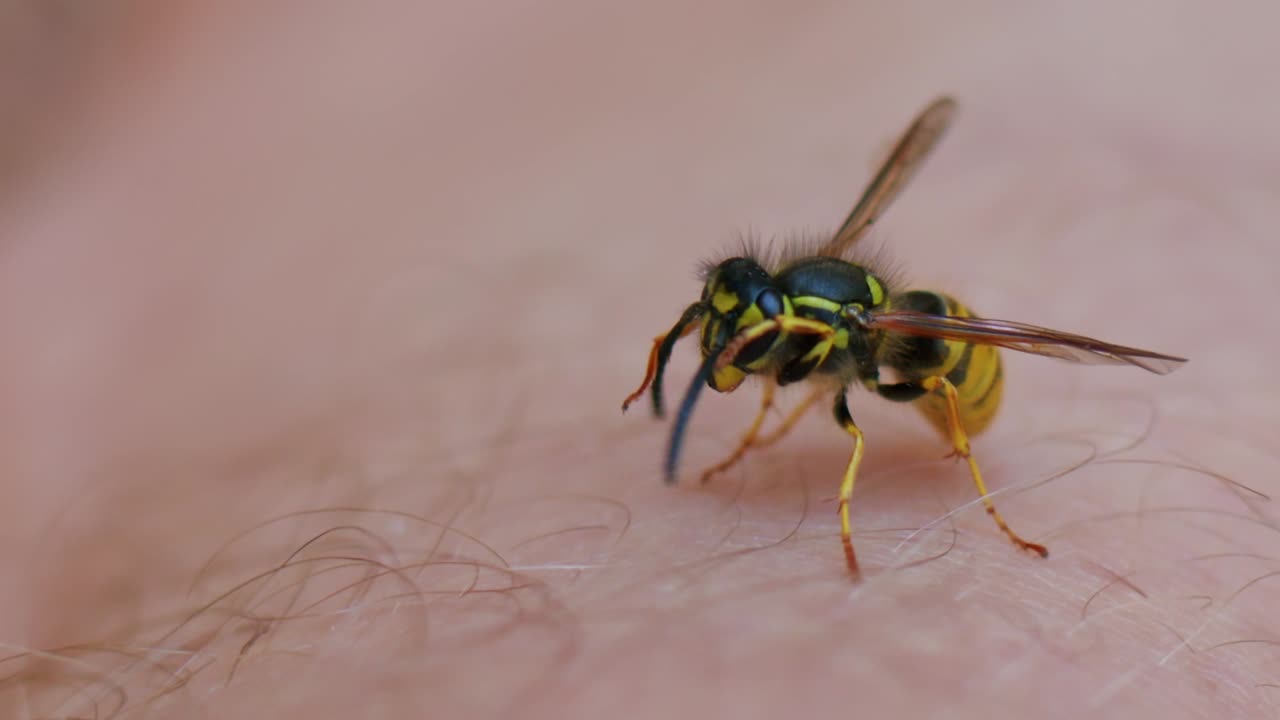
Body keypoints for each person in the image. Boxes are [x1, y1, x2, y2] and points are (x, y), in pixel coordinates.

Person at [1, 3, 1275, 717]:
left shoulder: (858, 352)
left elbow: (832, 402)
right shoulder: (783, 313)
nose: (728, 344)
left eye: (737, 333)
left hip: (943, 373)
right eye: (726, 328)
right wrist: (687, 370)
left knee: (876, 416)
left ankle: (978, 501)